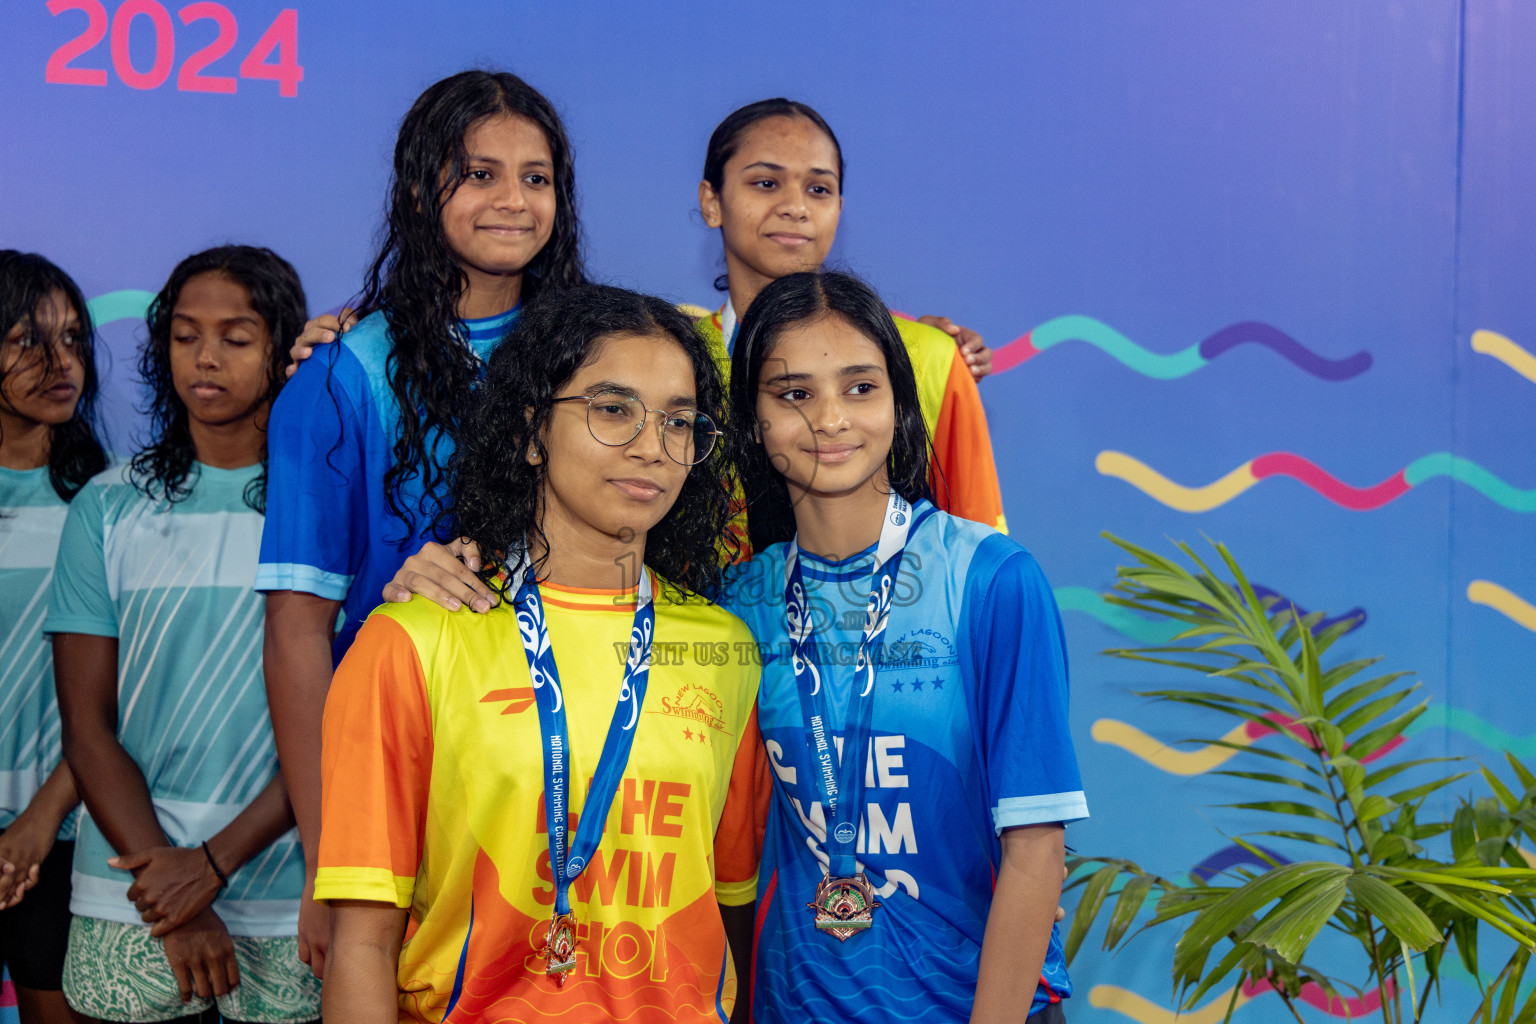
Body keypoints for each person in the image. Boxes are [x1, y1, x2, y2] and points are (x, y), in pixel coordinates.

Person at [317, 285, 763, 1023]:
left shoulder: (727, 649)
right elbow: (361, 947)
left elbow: (728, 918)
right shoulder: (415, 639)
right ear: (531, 432)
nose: (652, 446)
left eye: (679, 422)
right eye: (613, 409)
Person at [256, 68, 587, 975]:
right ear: (417, 189)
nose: (513, 201)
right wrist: (335, 863)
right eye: (478, 174)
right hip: (410, 780)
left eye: (536, 176)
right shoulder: (337, 376)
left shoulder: (599, 356)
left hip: (581, 778)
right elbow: (295, 631)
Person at [721, 271, 1085, 1023]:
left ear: (899, 404)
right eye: (793, 393)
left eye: (860, 387)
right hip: (797, 1005)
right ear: (752, 420)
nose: (830, 418)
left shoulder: (990, 578)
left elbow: (1036, 849)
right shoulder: (738, 603)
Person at [48, 247, 318, 1024]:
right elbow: (87, 727)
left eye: (236, 337)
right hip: (131, 883)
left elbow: (340, 725)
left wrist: (212, 865)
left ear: (282, 346)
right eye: (184, 335)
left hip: (283, 884)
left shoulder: (324, 508)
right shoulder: (107, 506)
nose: (205, 357)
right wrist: (177, 889)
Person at [695, 99, 1006, 533]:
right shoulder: (677, 363)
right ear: (712, 202)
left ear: (840, 207)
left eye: (818, 189)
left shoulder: (931, 357)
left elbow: (977, 548)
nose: (795, 207)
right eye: (766, 183)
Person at [0, 251, 107, 1024]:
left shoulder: (109, 501)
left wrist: (40, 821)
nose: (59, 362)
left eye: (72, 339)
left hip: (66, 833)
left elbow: (119, 696)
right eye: (26, 340)